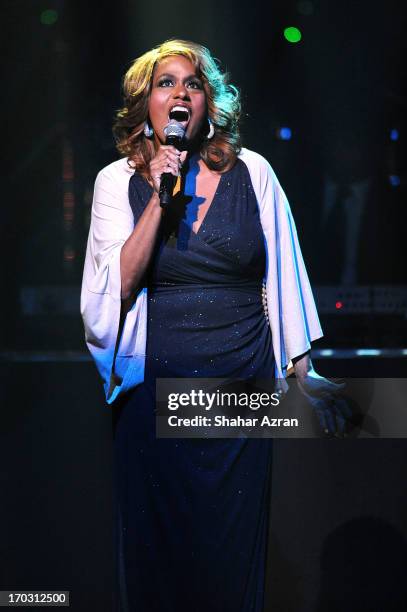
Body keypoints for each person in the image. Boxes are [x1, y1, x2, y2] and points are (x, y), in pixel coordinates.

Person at [81, 39, 345, 612]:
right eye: (165, 83)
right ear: (144, 104)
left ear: (209, 103)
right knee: (160, 559)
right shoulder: (114, 182)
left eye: (193, 84)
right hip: (153, 390)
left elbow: (284, 271)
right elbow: (116, 286)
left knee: (229, 552)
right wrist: (159, 195)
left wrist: (305, 370)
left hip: (239, 385)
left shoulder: (255, 172)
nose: (180, 93)